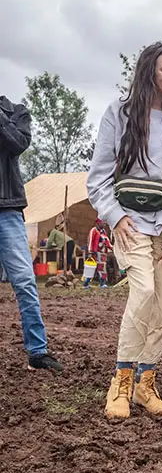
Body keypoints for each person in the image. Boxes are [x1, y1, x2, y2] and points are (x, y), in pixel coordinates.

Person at [87, 41, 162, 420]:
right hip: (130, 222)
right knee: (143, 292)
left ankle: (145, 383)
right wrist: (114, 216)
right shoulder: (119, 113)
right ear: (148, 72)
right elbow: (98, 176)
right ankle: (120, 382)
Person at [0, 94, 63, 372]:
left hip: (8, 209)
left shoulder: (15, 112)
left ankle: (37, 352)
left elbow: (18, 143)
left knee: (25, 282)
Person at [83, 219, 113, 288]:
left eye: (105, 223)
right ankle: (86, 283)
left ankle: (102, 283)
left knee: (102, 268)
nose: (104, 224)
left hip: (103, 253)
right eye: (103, 223)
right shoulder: (93, 230)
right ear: (98, 223)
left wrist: (112, 248)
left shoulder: (103, 231)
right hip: (95, 253)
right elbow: (90, 241)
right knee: (91, 268)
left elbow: (107, 241)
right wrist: (90, 252)